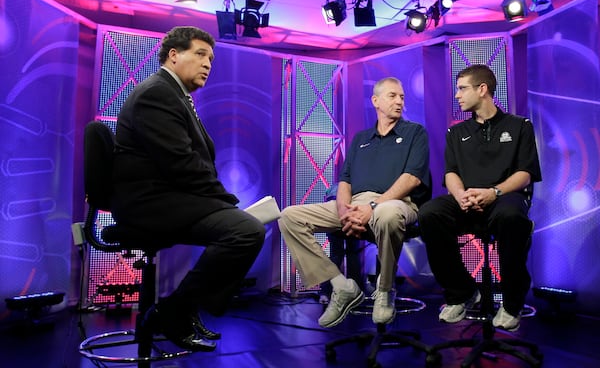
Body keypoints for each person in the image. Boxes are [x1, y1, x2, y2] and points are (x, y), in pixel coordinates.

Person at [111, 26, 266, 351]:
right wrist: (224, 201)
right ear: (173, 55)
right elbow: (181, 164)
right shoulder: (157, 94)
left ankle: (184, 308)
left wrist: (222, 202)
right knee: (245, 230)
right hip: (149, 204)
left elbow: (188, 163)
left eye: (210, 58)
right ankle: (174, 312)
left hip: (167, 198)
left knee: (245, 226)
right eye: (199, 54)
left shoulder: (174, 95)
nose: (208, 63)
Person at [278, 77, 431, 328]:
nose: (399, 101)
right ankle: (340, 285)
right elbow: (345, 181)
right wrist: (344, 212)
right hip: (354, 204)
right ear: (376, 101)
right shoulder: (361, 139)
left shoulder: (415, 132)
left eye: (402, 97)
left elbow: (412, 178)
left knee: (388, 213)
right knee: (290, 216)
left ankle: (384, 291)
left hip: (396, 202)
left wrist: (371, 208)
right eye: (392, 95)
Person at [418, 64, 541, 332]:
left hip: (504, 197)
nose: (458, 95)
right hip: (467, 200)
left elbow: (525, 174)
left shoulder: (520, 126)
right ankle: (461, 293)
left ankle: (511, 303)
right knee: (429, 213)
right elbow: (450, 173)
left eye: (463, 89)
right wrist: (461, 195)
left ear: (482, 89)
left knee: (511, 217)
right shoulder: (456, 132)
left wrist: (493, 192)